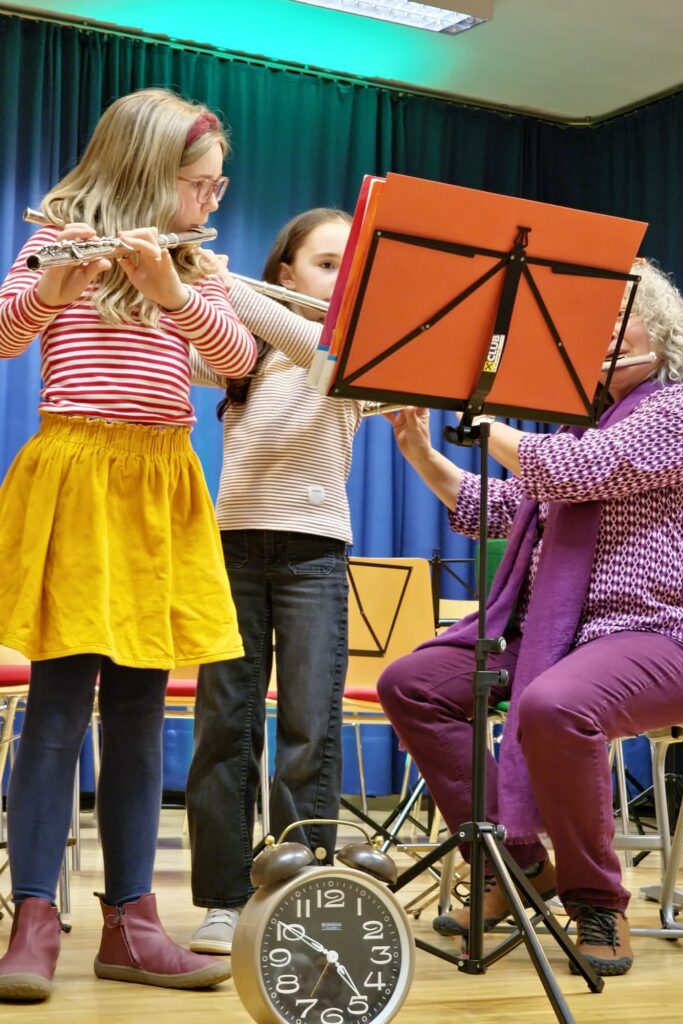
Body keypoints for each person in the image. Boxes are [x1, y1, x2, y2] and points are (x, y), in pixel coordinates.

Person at [376, 259, 683, 977]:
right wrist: (420, 451)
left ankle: (596, 900)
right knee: (411, 685)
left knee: (555, 705)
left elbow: (574, 471)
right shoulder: (585, 429)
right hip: (557, 635)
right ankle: (514, 865)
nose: (602, 333)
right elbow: (503, 510)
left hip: (666, 635)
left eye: (619, 317)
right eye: (588, 322)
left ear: (662, 331)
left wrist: (485, 421)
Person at [0, 88, 257, 1002]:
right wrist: (50, 290)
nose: (211, 200)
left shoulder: (194, 263)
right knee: (58, 706)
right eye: (201, 184)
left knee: (143, 712)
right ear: (148, 171)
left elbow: (237, 361)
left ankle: (132, 923)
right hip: (77, 474)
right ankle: (33, 918)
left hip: (159, 483)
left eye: (218, 187)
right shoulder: (55, 236)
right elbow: (3, 337)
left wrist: (174, 293)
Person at [185, 208, 361, 954]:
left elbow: (315, 351)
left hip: (314, 555)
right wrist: (171, 285)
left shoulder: (353, 346)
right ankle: (223, 900)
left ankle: (297, 892)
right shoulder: (242, 349)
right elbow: (172, 349)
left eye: (349, 266)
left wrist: (223, 284)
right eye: (325, 263)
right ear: (285, 271)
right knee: (223, 729)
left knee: (307, 731)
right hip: (231, 550)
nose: (338, 278)